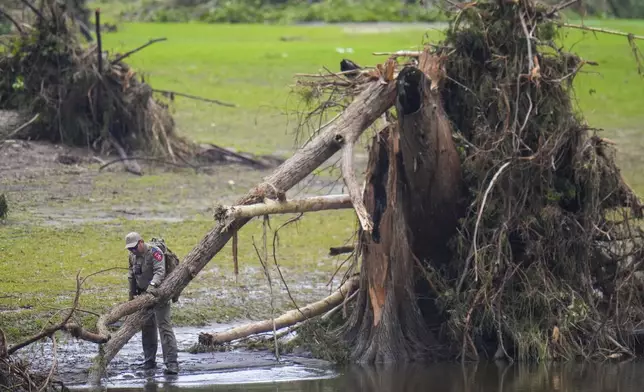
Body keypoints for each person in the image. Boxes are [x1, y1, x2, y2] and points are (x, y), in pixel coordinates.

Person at [125, 231, 179, 375]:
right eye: (130, 248)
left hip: (159, 294)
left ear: (141, 242)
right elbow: (132, 274)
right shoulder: (132, 256)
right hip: (143, 296)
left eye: (134, 247)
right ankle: (149, 361)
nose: (133, 250)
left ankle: (171, 363)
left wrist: (152, 288)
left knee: (164, 326)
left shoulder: (155, 252)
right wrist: (132, 296)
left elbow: (160, 272)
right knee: (147, 328)